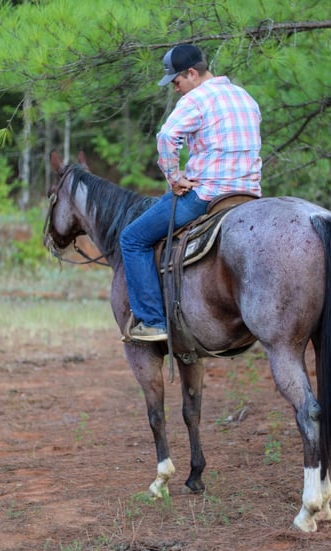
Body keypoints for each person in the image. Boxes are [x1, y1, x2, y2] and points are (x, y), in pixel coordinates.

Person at [120, 44, 262, 342]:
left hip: (207, 196)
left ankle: (154, 321)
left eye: (176, 82)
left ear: (192, 74)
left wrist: (173, 177)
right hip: (250, 195)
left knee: (132, 239)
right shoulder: (245, 96)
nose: (176, 89)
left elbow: (167, 137)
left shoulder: (196, 99)